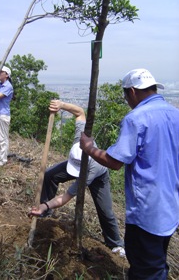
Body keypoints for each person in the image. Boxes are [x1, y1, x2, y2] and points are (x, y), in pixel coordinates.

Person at [80, 68, 179, 279]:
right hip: (170, 206)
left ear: (132, 91)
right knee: (157, 263)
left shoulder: (136, 118)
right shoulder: (175, 114)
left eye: (126, 96)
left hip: (147, 211)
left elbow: (115, 162)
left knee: (145, 270)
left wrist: (89, 148)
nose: (127, 100)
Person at [28, 100, 125, 257]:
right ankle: (45, 213)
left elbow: (65, 197)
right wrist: (61, 105)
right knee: (50, 175)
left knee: (105, 211)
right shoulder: (80, 139)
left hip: (98, 175)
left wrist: (44, 205)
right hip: (79, 164)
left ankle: (116, 244)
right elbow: (80, 112)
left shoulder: (91, 171)